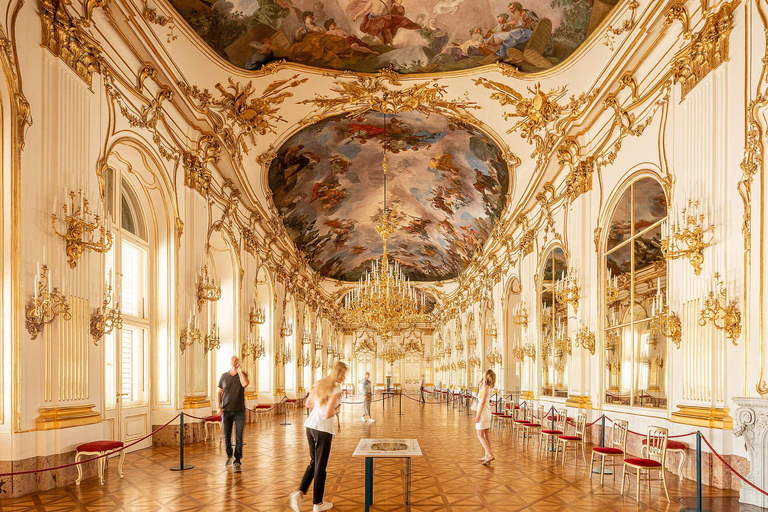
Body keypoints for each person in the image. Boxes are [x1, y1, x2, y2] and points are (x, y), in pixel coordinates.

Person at [289, 362, 347, 512]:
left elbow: (308, 404)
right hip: (323, 430)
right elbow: (328, 413)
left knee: (315, 463)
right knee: (320, 467)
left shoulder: (320, 384)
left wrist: (321, 405)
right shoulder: (335, 388)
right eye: (343, 374)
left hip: (310, 427)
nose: (344, 377)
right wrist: (337, 410)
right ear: (337, 373)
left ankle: (299, 493)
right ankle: (318, 503)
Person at [218, 356, 250, 473]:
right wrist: (218, 406)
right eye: (232, 360)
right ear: (229, 362)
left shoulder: (243, 374)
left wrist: (240, 371)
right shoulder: (223, 376)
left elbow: (245, 384)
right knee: (226, 436)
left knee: (239, 436)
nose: (234, 362)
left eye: (236, 360)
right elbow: (220, 392)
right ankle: (229, 455)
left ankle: (237, 461)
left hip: (239, 411)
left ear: (238, 362)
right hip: (226, 411)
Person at [474, 369, 496, 466]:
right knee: (486, 435)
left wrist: (478, 414)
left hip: (483, 412)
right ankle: (487, 455)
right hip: (487, 412)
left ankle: (490, 454)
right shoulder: (485, 386)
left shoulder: (486, 387)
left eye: (484, 375)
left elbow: (482, 401)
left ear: (486, 376)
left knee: (479, 435)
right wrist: (480, 385)